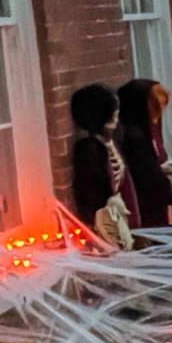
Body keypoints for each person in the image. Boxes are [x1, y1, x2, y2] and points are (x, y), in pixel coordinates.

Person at [70, 83, 139, 245]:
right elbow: (91, 189)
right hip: (106, 219)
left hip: (121, 211)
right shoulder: (89, 149)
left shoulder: (111, 141)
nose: (116, 115)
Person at [115, 78, 172, 228]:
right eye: (157, 109)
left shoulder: (149, 129)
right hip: (145, 208)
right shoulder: (134, 136)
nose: (158, 117)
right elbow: (145, 173)